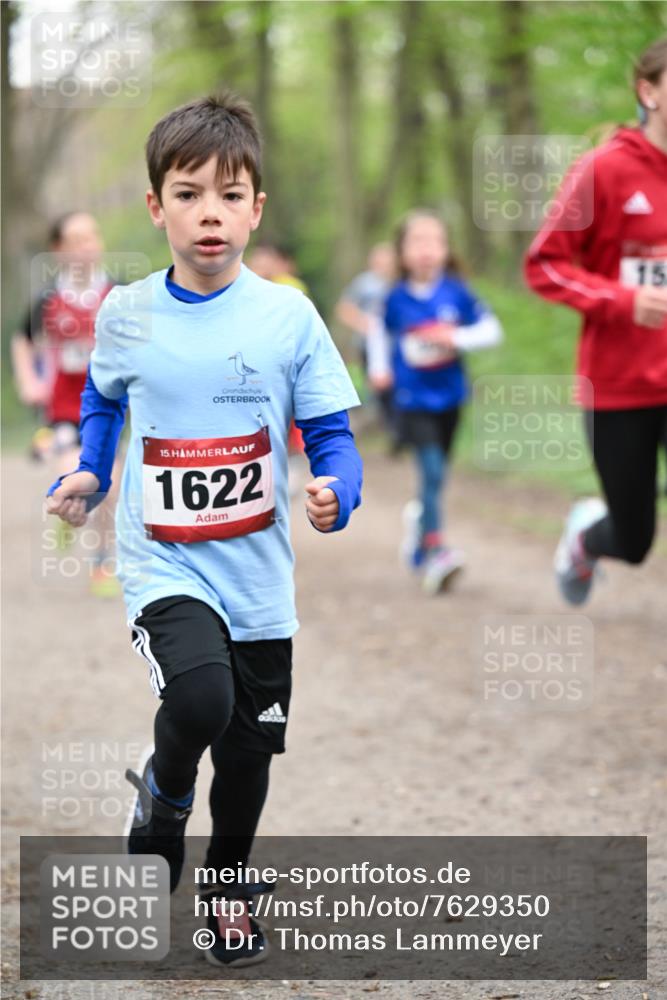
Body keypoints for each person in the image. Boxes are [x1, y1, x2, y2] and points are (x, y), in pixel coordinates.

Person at [45, 93, 362, 969]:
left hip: (257, 573)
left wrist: (337, 489)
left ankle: (227, 890)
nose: (209, 212)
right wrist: (92, 468)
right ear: (157, 207)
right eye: (188, 194)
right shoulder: (127, 311)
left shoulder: (288, 316)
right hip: (165, 562)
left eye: (229, 194)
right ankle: (165, 793)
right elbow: (101, 396)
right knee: (199, 702)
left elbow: (330, 431)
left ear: (256, 207)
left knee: (251, 752)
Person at [524, 37, 667, 605]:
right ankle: (586, 538)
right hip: (620, 387)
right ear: (649, 92)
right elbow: (544, 265)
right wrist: (623, 300)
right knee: (634, 541)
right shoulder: (603, 170)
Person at [369, 210, 502, 595]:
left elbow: (491, 330)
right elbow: (379, 333)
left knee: (438, 474)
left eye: (435, 241)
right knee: (430, 471)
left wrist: (454, 338)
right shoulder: (394, 298)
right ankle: (436, 550)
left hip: (450, 397)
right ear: (402, 252)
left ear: (446, 249)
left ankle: (420, 529)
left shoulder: (457, 292)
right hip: (411, 398)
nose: (427, 250)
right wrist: (380, 369)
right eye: (418, 242)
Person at [12, 212, 122, 596]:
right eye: (75, 241)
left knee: (108, 486)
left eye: (91, 238)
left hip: (108, 405)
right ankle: (68, 505)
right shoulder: (48, 299)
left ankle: (102, 562)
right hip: (64, 406)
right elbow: (22, 340)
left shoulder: (119, 294)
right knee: (75, 472)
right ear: (58, 250)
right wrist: (29, 380)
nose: (85, 248)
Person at [335, 243, 397, 446]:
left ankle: (396, 429)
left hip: (395, 345)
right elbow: (345, 308)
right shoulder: (364, 283)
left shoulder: (399, 282)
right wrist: (363, 325)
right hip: (367, 345)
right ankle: (383, 426)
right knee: (376, 385)